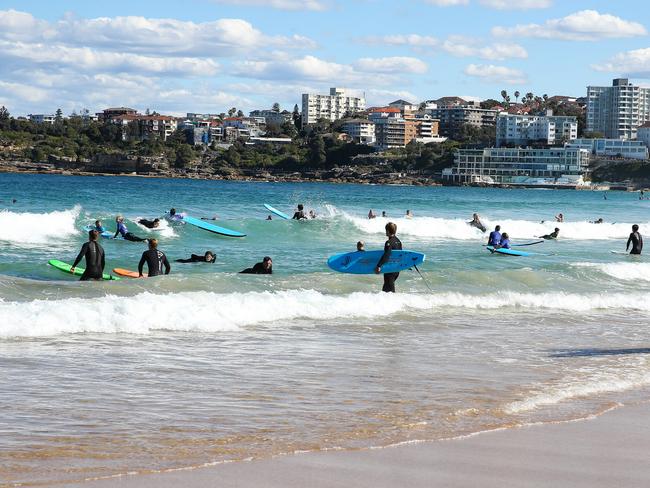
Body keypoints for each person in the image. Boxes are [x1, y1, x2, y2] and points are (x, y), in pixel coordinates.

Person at [375, 222, 402, 293]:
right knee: (387, 289)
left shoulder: (389, 242)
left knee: (388, 291)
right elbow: (400, 254)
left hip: (390, 269)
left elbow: (387, 254)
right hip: (397, 269)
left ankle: (393, 303)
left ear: (388, 231)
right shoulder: (398, 241)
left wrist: (379, 265)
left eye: (386, 230)